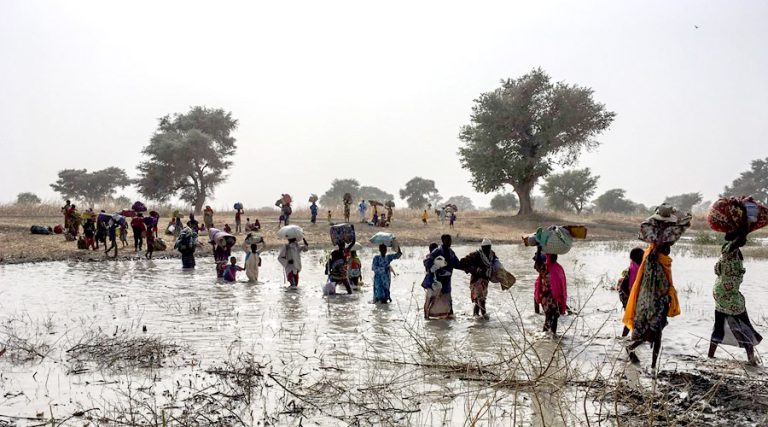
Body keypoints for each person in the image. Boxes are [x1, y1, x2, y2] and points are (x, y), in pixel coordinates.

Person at [623, 243, 681, 369]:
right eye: (666, 248)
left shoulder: (654, 261)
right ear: (660, 250)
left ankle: (632, 349)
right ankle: (653, 365)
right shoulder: (655, 263)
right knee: (656, 335)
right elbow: (661, 286)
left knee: (649, 334)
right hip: (654, 305)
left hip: (648, 304)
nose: (668, 250)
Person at [708, 231, 762, 365]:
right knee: (744, 324)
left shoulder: (732, 250)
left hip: (723, 292)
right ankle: (751, 359)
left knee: (720, 323)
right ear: (736, 239)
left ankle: (710, 356)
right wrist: (745, 227)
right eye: (743, 238)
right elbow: (739, 239)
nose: (746, 240)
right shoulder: (729, 249)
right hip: (727, 294)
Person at [424, 235, 462, 318]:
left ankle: (450, 316)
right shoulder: (437, 251)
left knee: (448, 299)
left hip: (447, 280)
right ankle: (426, 317)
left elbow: (457, 264)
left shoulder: (451, 252)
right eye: (447, 240)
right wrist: (432, 268)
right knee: (431, 300)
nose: (449, 242)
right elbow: (427, 261)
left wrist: (467, 268)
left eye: (450, 240)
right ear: (443, 241)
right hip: (436, 281)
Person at [460, 239, 498, 319]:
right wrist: (474, 269)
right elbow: (463, 262)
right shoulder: (476, 255)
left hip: (485, 280)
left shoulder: (492, 254)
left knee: (480, 299)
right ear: (482, 247)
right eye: (485, 248)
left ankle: (475, 316)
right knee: (480, 298)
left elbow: (496, 264)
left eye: (488, 247)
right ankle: (484, 315)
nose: (487, 249)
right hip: (476, 280)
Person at [534, 251, 568, 337]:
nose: (554, 258)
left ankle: (553, 335)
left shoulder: (558, 268)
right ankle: (544, 334)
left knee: (555, 316)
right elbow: (537, 262)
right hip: (546, 297)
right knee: (549, 316)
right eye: (552, 256)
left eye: (555, 256)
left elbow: (562, 284)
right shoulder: (544, 267)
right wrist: (539, 248)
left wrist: (561, 298)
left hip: (555, 297)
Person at [617, 248, 644, 337]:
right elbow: (623, 287)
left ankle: (633, 338)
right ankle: (625, 338)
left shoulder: (639, 268)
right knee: (631, 316)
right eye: (642, 257)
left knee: (636, 317)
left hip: (630, 293)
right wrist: (631, 299)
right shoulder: (631, 270)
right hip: (625, 294)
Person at [422, 243, 441, 319]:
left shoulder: (431, 258)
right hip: (431, 281)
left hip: (434, 281)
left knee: (432, 299)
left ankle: (427, 315)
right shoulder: (429, 258)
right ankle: (426, 316)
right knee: (429, 300)